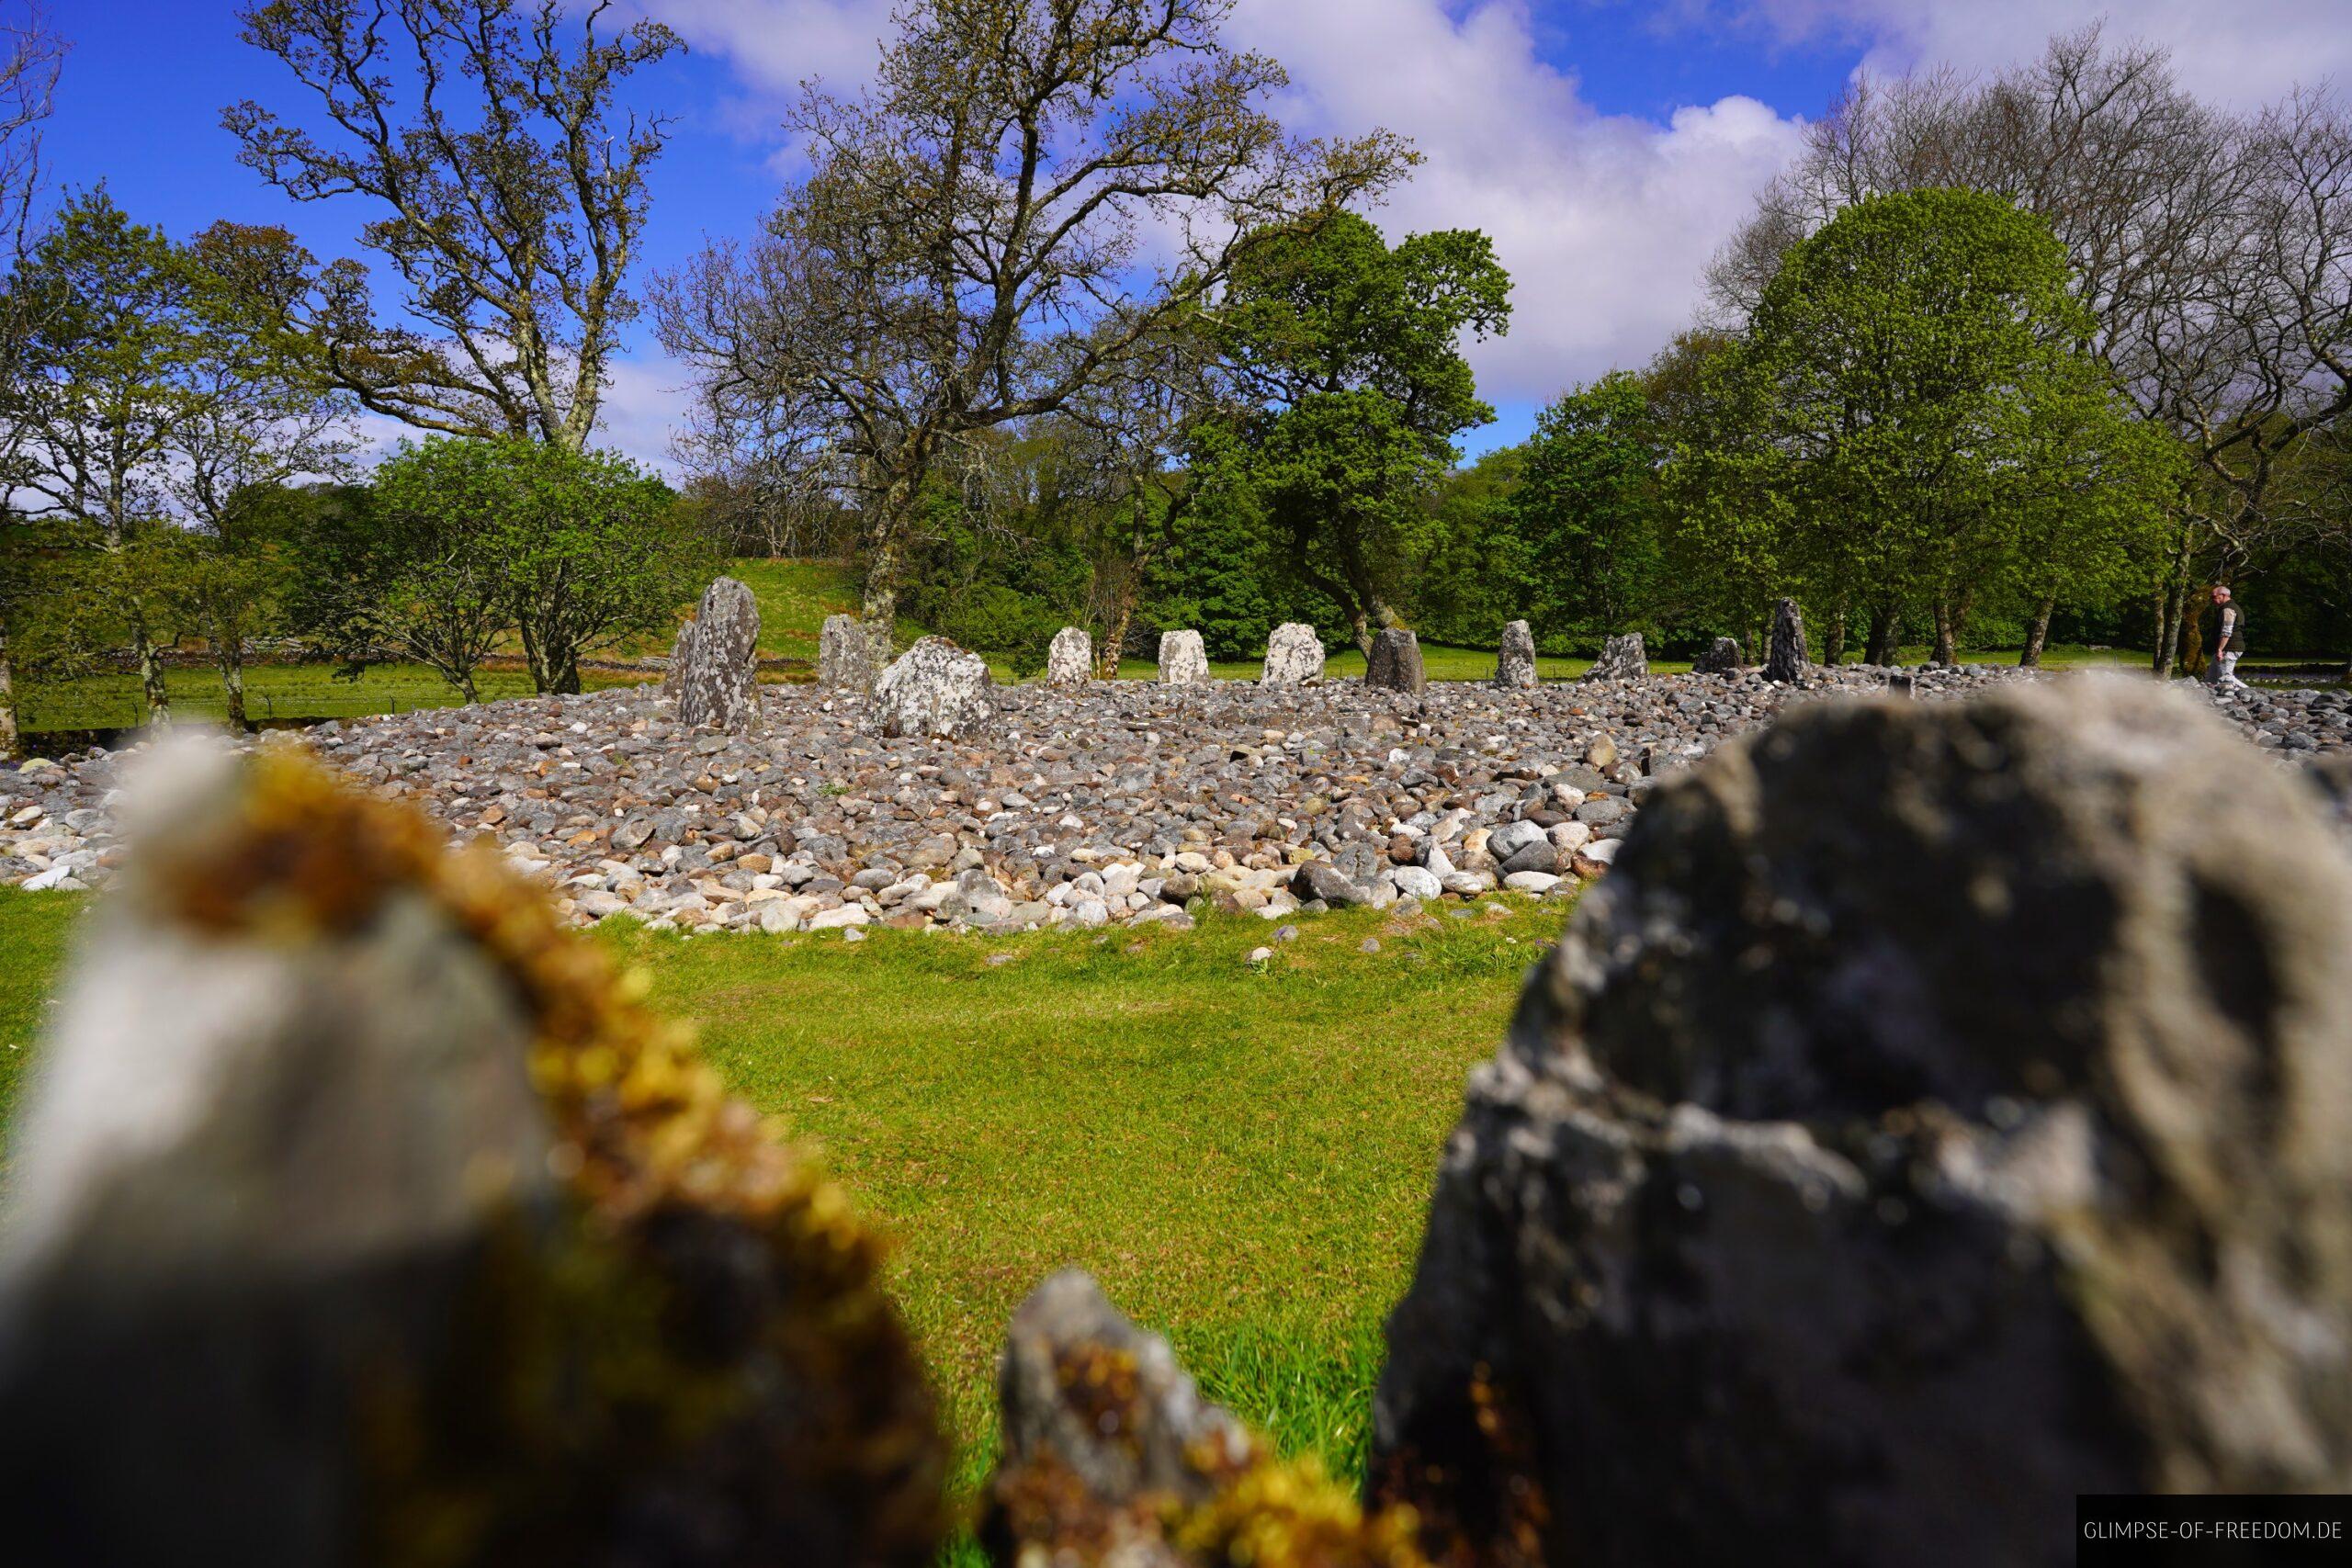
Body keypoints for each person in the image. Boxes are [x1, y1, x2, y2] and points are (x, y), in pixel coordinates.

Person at [2207, 584, 2249, 691]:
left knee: (2226, 678)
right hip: (2227, 648)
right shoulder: (2230, 607)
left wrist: (2220, 649)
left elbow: (2227, 632)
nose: (2212, 600)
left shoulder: (2228, 609)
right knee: (2211, 679)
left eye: (2214, 597)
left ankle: (2249, 691)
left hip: (2229, 648)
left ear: (2223, 595)